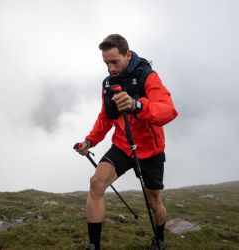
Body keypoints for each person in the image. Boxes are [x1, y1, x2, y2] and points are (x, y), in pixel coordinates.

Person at [75, 34, 178, 250]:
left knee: (153, 202)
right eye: (106, 63)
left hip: (150, 150)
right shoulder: (108, 84)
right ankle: (94, 246)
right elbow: (106, 117)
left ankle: (160, 239)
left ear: (127, 55)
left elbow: (168, 110)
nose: (110, 68)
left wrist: (136, 105)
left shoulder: (147, 77)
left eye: (114, 61)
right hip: (123, 145)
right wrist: (89, 141)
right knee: (96, 184)